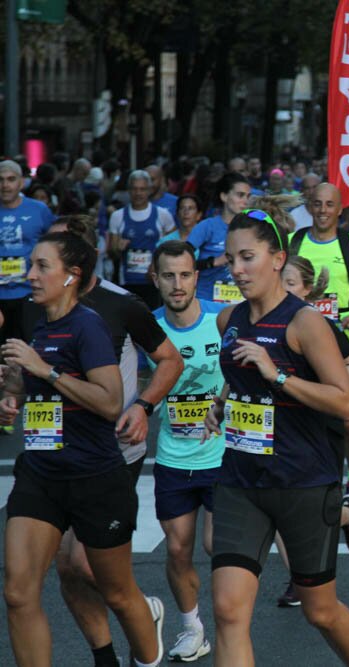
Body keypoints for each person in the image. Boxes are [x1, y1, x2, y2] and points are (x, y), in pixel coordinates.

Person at [203, 209, 349, 666]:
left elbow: (344, 403)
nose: (237, 269)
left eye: (248, 257)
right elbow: (239, 377)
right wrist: (223, 404)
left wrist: (276, 376)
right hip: (241, 479)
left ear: (277, 259)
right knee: (228, 610)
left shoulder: (305, 323)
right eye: (231, 258)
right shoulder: (228, 320)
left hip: (302, 481)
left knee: (321, 612)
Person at [20, 216, 183, 667]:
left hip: (110, 450)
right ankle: (104, 656)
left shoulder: (120, 304)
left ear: (77, 259)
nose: (35, 270)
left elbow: (168, 359)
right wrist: (13, 394)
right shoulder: (36, 306)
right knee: (68, 569)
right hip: (48, 454)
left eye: (50, 255)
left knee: (89, 567)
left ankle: (143, 616)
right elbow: (30, 373)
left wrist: (143, 407)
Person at [147, 241, 225, 662]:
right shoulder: (149, 327)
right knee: (177, 549)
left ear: (197, 276)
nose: (178, 285)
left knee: (218, 545)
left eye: (185, 274)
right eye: (168, 276)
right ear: (155, 279)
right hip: (174, 456)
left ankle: (231, 623)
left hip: (223, 454)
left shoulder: (222, 318)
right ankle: (192, 627)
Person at [276, 254, 349, 607]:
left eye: (291, 285)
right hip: (281, 427)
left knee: (316, 507)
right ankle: (298, 579)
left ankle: (347, 514)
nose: (284, 291)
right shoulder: (265, 324)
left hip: (320, 425)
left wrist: (325, 389)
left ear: (307, 291)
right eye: (280, 283)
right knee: (280, 499)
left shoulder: (318, 324)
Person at [290, 183, 349, 513]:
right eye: (316, 203)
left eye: (329, 204)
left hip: (345, 345)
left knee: (348, 419)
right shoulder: (296, 242)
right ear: (309, 206)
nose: (322, 210)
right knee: (304, 417)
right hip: (300, 342)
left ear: (340, 209)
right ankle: (313, 481)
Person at [0, 160, 55, 344]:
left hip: (31, 292)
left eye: (11, 179)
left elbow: (54, 245)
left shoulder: (39, 210)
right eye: (0, 180)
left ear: (21, 182)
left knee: (31, 347)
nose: (5, 185)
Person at [108, 170, 176, 308]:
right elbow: (111, 253)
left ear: (149, 190)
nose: (138, 193)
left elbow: (173, 247)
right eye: (134, 189)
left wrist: (158, 264)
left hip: (154, 282)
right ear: (128, 191)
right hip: (127, 282)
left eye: (142, 189)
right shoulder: (117, 216)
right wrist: (118, 249)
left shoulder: (163, 215)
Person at [186, 172, 252, 303]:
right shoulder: (207, 226)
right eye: (240, 195)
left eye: (248, 196)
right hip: (207, 298)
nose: (245, 201)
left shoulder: (251, 228)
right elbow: (183, 260)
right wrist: (214, 262)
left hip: (240, 300)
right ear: (224, 196)